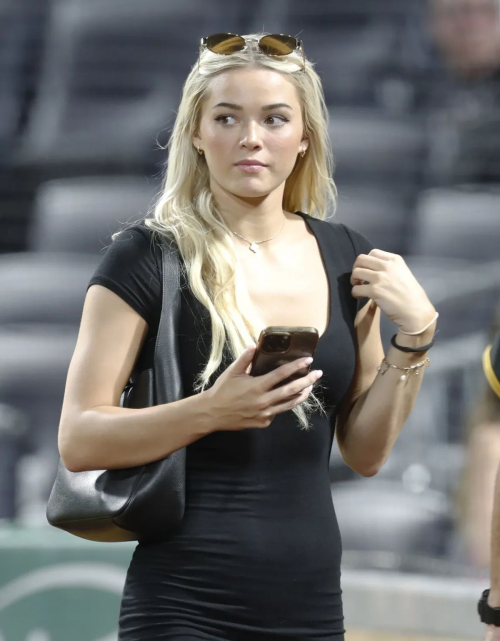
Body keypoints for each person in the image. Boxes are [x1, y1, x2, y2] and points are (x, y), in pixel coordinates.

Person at [56, 32, 439, 640]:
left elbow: (365, 453)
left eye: (275, 118)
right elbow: (79, 439)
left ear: (305, 136)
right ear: (196, 134)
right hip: (182, 601)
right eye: (227, 117)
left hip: (309, 601)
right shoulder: (148, 257)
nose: (250, 138)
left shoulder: (347, 258)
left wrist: (414, 337)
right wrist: (210, 411)